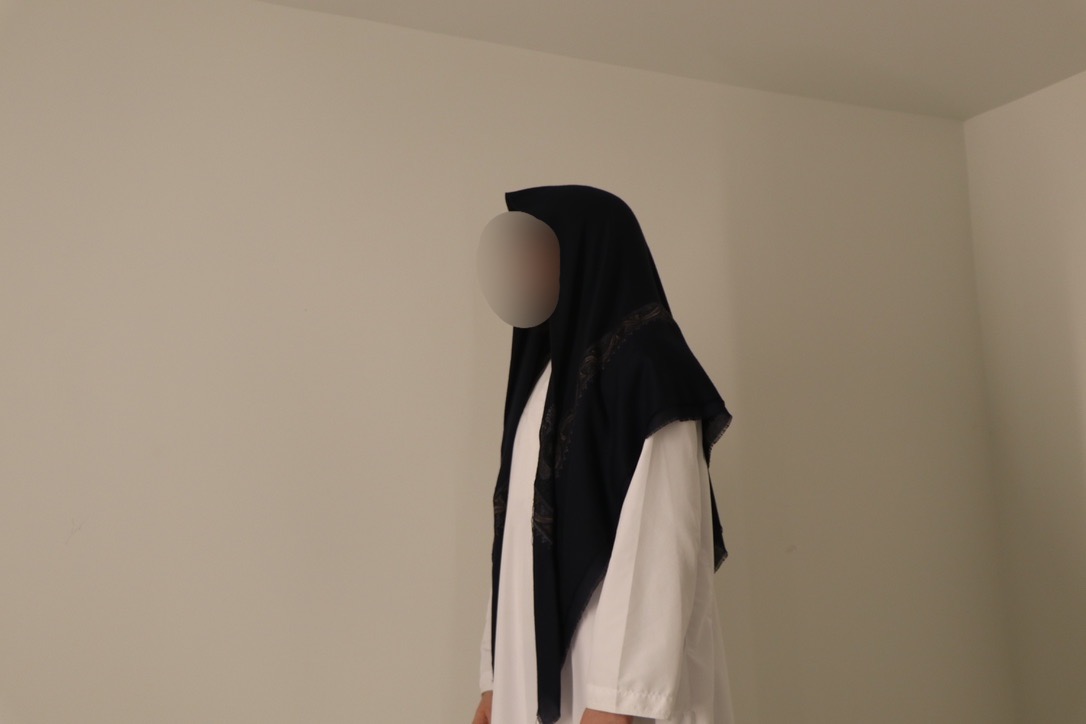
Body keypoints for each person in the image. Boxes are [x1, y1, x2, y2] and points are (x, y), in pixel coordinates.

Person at [472, 184, 736, 724]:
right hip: (533, 672)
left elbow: (661, 538)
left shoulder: (649, 368)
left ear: (584, 253)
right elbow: (517, 537)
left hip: (615, 687)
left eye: (537, 250)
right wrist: (495, 681)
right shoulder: (545, 377)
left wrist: (616, 700)